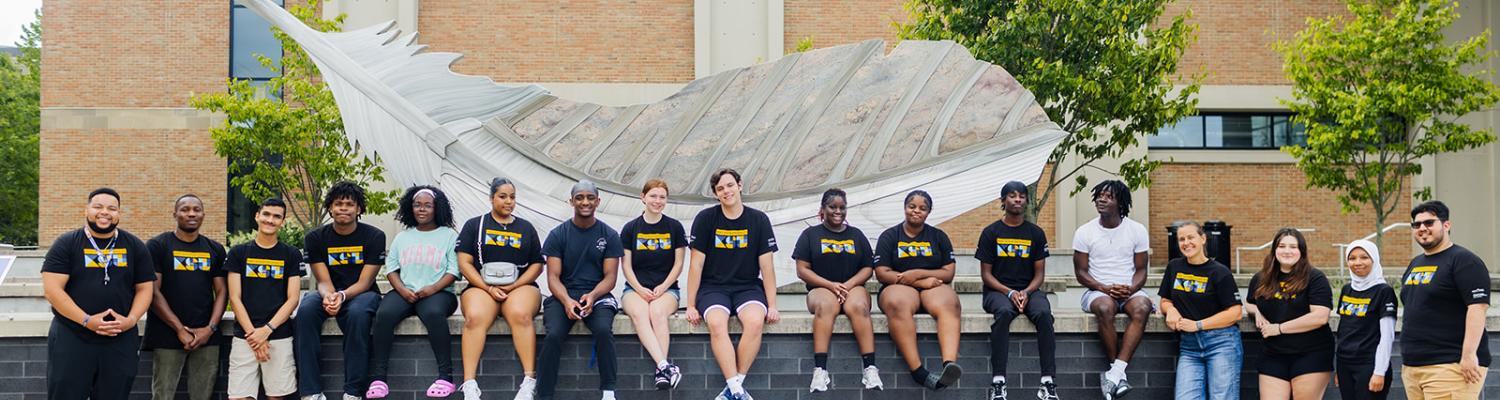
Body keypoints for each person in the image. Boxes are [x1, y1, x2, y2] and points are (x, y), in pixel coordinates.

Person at [41, 187, 157, 400]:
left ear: (119, 214)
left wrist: (131, 320)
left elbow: (145, 288)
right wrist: (87, 320)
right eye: (98, 207)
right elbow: (52, 290)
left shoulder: (135, 246)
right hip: (73, 335)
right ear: (86, 210)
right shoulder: (66, 243)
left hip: (120, 337)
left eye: (112, 208)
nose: (105, 212)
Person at [685, 168, 780, 400]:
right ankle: (737, 390)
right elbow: (695, 266)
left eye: (729, 185)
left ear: (739, 185)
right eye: (720, 189)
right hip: (713, 288)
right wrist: (690, 305)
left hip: (747, 287)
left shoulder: (758, 220)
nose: (726, 191)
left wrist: (773, 304)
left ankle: (734, 387)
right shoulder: (706, 219)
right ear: (716, 194)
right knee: (717, 323)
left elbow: (767, 267)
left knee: (756, 321)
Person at [296, 181, 388, 400]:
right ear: (330, 208)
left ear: (359, 209)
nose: (344, 208)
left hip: (363, 293)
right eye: (338, 204)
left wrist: (343, 295)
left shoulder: (374, 236)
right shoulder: (315, 238)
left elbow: (366, 281)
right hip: (329, 291)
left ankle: (352, 392)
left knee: (357, 314)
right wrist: (329, 295)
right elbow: (322, 279)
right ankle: (311, 392)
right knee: (306, 311)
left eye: (349, 204)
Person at [367, 186, 461, 399]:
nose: (422, 209)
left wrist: (433, 288)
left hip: (439, 292)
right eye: (417, 205)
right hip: (405, 291)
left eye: (428, 205)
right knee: (384, 314)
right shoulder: (403, 237)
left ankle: (445, 377)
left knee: (433, 314)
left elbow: (454, 270)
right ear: (411, 208)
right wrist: (401, 289)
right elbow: (391, 268)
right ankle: (379, 378)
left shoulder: (448, 235)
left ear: (437, 208)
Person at [457, 178, 546, 400]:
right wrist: (487, 288)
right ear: (491, 198)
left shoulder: (525, 227)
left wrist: (515, 285)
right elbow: (465, 263)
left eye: (512, 197)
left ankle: (529, 381)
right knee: (474, 317)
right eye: (503, 196)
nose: (508, 201)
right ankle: (469, 384)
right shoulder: (474, 225)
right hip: (481, 285)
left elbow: (537, 263)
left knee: (520, 314)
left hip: (520, 285)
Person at [536, 181, 625, 400]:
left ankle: (608, 392)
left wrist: (593, 296)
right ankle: (544, 394)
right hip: (563, 295)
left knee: (603, 331)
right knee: (554, 335)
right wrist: (567, 301)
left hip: (598, 295)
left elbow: (610, 277)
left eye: (590, 197)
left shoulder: (609, 235)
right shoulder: (558, 234)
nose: (585, 202)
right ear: (571, 201)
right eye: (579, 198)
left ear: (598, 201)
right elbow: (553, 278)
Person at [1399, 200, 1490, 399]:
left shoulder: (1464, 260)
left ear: (1446, 225)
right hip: (1413, 368)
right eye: (1417, 224)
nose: (1422, 228)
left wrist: (1468, 355)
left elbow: (1477, 308)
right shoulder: (1415, 264)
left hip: (1451, 366)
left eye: (1429, 223)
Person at [794, 188, 882, 393]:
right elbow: (802, 269)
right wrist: (830, 285)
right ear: (822, 209)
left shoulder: (856, 235)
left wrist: (847, 285)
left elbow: (868, 267)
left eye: (842, 207)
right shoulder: (810, 234)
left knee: (860, 306)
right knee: (826, 306)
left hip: (853, 288)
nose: (838, 211)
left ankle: (870, 368)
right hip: (821, 289)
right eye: (832, 207)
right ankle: (820, 370)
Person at [875, 190, 962, 390]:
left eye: (922, 208)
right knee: (898, 303)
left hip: (933, 286)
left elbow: (948, 272)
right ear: (905, 208)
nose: (916, 211)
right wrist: (918, 281)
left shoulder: (938, 236)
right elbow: (881, 273)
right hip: (899, 287)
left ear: (928, 212)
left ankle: (949, 364)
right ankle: (918, 371)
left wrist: (917, 273)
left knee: (950, 303)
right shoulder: (890, 236)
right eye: (912, 206)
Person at [977, 181, 1056, 400]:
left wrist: (1027, 292)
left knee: (1043, 314)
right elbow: (986, 275)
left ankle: (1047, 382)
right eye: (1012, 196)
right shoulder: (990, 232)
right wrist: (1010, 292)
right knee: (1003, 313)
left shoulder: (1036, 233)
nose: (1018, 199)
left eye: (1022, 196)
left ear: (1027, 201)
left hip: (1029, 290)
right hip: (997, 291)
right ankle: (998, 382)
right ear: (1003, 201)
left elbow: (1039, 274)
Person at [1071, 180, 1150, 400]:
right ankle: (1119, 375)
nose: (1102, 199)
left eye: (1109, 196)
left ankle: (1114, 374)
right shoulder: (1085, 231)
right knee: (1105, 307)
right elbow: (1081, 272)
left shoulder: (1137, 230)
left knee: (1143, 306)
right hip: (1096, 290)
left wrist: (1131, 288)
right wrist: (1103, 287)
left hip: (1129, 289)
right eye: (1099, 195)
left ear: (1120, 202)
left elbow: (1142, 270)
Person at [144, 194, 227, 400]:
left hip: (206, 336)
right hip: (167, 333)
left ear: (203, 215)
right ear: (175, 214)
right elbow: (153, 292)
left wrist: (210, 329)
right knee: (163, 395)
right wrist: (179, 329)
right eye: (185, 209)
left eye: (196, 210)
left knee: (203, 395)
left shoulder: (215, 249)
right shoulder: (158, 246)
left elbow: (223, 292)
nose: (191, 213)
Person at [226, 198, 303, 400]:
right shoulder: (238, 253)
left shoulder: (291, 254)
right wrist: (255, 336)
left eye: (277, 216)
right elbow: (234, 297)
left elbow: (293, 298)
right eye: (266, 214)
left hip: (279, 335)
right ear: (257, 216)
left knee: (277, 396)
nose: (270, 220)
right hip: (245, 336)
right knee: (239, 397)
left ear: (283, 221)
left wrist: (267, 330)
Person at [1245, 228, 1334, 400]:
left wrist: (1278, 328)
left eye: (1293, 247)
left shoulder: (1315, 278)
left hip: (1311, 352)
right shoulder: (1261, 278)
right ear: (1274, 250)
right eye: (1282, 246)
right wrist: (1256, 312)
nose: (1287, 251)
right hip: (1273, 354)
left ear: (1301, 251)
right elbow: (1249, 302)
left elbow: (1320, 316)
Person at [1158, 221, 1243, 400]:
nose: (1186, 243)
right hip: (1189, 347)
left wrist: (1198, 325)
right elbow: (1165, 300)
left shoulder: (1220, 272)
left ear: (1203, 239)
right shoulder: (1174, 267)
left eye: (1191, 237)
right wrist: (1171, 310)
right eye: (1181, 239)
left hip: (1222, 343)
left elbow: (1235, 312)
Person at [619, 179, 687, 390]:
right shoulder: (631, 229)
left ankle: (662, 370)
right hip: (634, 289)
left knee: (657, 312)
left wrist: (664, 286)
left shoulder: (674, 227)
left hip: (667, 290)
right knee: (640, 314)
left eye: (662, 197)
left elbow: (678, 264)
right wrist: (639, 288)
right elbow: (626, 267)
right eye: (653, 196)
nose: (657, 201)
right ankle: (665, 367)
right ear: (643, 197)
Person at [1333, 240, 1396, 400]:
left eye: (1364, 257)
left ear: (1374, 259)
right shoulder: (1347, 289)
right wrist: (1339, 369)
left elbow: (1387, 336)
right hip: (1345, 364)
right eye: (1352, 258)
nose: (1357, 262)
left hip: (1370, 364)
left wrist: (1379, 372)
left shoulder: (1384, 291)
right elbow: (1344, 330)